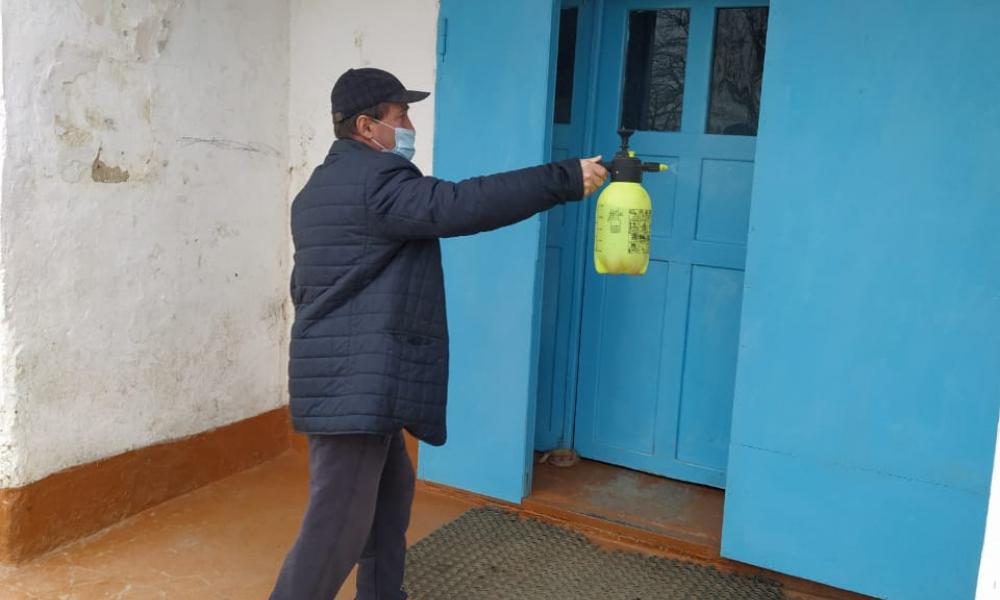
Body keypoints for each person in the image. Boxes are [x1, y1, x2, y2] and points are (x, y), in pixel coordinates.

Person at [271, 67, 608, 600]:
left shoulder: (319, 188)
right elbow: (460, 203)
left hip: (351, 374)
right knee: (335, 528)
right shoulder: (376, 182)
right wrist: (563, 178)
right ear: (366, 126)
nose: (409, 126)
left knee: (388, 499)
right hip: (354, 382)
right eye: (400, 115)